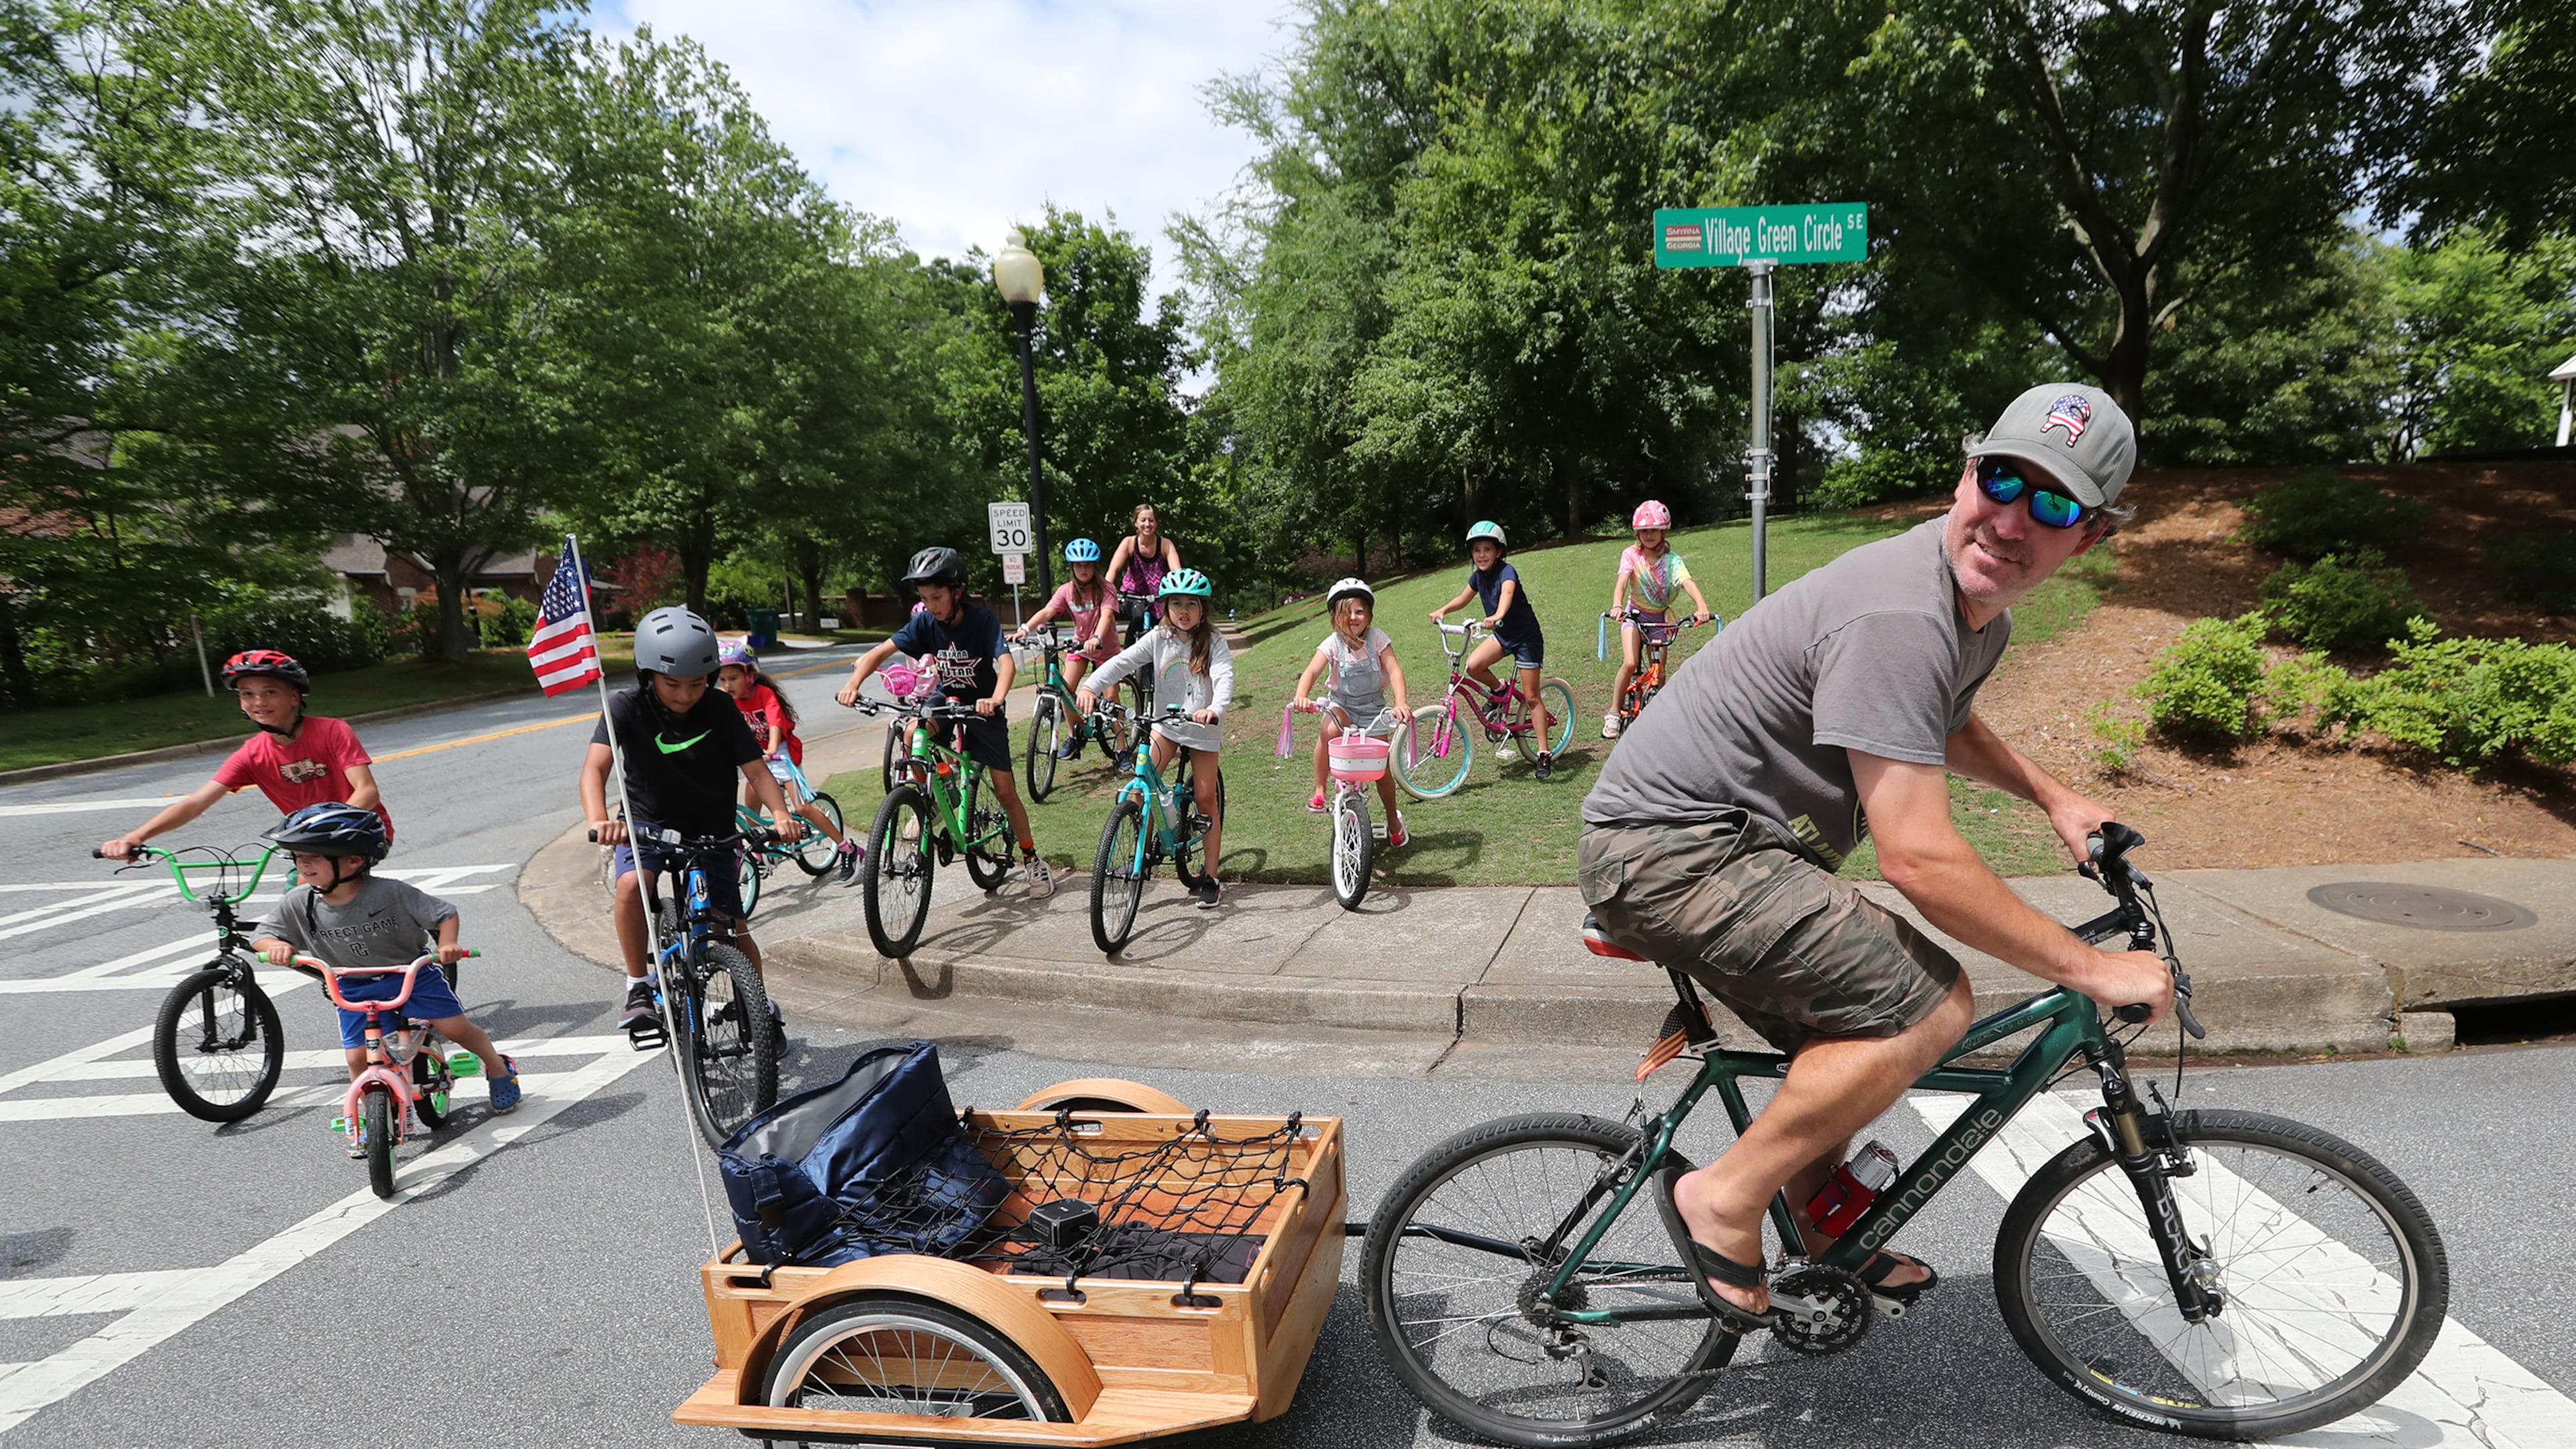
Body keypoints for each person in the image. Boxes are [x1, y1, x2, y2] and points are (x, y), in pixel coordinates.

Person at [1576, 383, 2173, 1330]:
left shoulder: (1972, 615)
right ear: (1965, 473)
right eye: (2002, 478)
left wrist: (2056, 799)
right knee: (1928, 1004)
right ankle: (1725, 1200)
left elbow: (1950, 720)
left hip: (1714, 847)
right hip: (1673, 851)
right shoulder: (1901, 612)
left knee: (1853, 1025)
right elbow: (1921, 860)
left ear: (2089, 535)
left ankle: (1816, 1222)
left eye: (2053, 505)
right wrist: (2091, 967)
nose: (2012, 520)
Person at [581, 606, 804, 1033]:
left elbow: (756, 771)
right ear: (647, 674)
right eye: (673, 684)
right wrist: (598, 819)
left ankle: (754, 1007)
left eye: (697, 683)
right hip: (645, 824)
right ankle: (639, 985)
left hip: (711, 828)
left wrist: (779, 813)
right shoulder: (625, 707)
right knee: (632, 885)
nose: (686, 695)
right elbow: (594, 769)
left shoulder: (720, 708)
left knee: (731, 928)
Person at [246, 803, 519, 1149]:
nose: (304, 865)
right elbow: (263, 935)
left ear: (354, 861)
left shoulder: (391, 893)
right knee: (358, 1058)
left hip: (410, 973)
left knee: (455, 1029)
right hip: (352, 983)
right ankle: (364, 1114)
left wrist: (448, 943)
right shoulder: (300, 901)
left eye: (314, 857)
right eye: (299, 858)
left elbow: (445, 914)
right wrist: (278, 947)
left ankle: (498, 1069)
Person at [837, 547, 1053, 898]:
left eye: (937, 597)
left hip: (982, 707)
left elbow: (1006, 663)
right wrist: (852, 684)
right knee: (912, 732)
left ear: (956, 592)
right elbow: (880, 652)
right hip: (946, 700)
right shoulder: (925, 623)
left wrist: (995, 699)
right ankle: (932, 799)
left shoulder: (982, 621)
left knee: (1005, 791)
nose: (932, 605)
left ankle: (1031, 860)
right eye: (925, 598)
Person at [99, 651, 392, 859]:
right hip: (307, 846)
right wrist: (136, 836)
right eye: (247, 694)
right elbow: (194, 804)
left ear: (294, 698)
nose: (258, 702)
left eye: (270, 692)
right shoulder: (252, 754)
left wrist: (324, 832)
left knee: (310, 903)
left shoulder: (332, 731)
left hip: (361, 833)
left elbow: (366, 791)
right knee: (289, 923)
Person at [1079, 568, 1233, 908]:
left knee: (1206, 800)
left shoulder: (1214, 641)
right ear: (1165, 608)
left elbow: (1224, 678)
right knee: (1139, 790)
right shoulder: (1158, 637)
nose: (1183, 611)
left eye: (1191, 604)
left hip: (1202, 726)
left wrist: (1215, 708)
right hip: (1165, 724)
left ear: (1203, 609)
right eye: (1175, 603)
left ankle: (1211, 877)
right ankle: (1139, 856)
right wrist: (1090, 685)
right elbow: (1122, 662)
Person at [716, 640, 860, 883]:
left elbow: (775, 724)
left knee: (802, 807)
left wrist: (772, 749)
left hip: (781, 754)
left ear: (750, 674)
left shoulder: (765, 694)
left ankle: (848, 849)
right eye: (722, 680)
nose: (727, 685)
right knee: (750, 808)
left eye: (733, 678)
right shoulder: (728, 702)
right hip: (756, 757)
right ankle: (762, 855)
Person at [1428, 521, 1555, 781]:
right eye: (1477, 550)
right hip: (1502, 635)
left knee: (1531, 698)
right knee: (1473, 666)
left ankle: (1543, 753)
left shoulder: (1507, 572)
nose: (1482, 555)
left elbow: (1507, 594)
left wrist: (1497, 614)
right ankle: (1499, 688)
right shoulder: (1477, 577)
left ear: (1499, 552)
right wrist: (1443, 610)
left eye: (1488, 549)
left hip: (1526, 638)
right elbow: (1464, 598)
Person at [1290, 577, 1411, 845]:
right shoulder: (1332, 643)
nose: (1354, 617)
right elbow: (1312, 670)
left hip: (1373, 709)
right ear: (1336, 617)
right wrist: (1302, 696)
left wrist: (1400, 701)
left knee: (1381, 770)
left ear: (1368, 615)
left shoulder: (1377, 638)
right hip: (1342, 705)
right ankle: (1320, 788)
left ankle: (1393, 820)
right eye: (1347, 612)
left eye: (1360, 611)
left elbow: (1394, 670)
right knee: (1328, 729)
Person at [1604, 500, 1715, 739]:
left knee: (1660, 672)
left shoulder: (1672, 561)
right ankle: (1614, 712)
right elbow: (1622, 582)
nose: (1649, 535)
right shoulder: (1631, 555)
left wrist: (1702, 606)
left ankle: (1658, 716)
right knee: (1630, 663)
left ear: (1664, 531)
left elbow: (1687, 582)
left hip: (1660, 619)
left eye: (1654, 530)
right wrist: (1616, 605)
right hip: (1633, 615)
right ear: (1637, 533)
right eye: (1644, 531)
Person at [1010, 537, 1119, 761]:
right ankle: (1073, 737)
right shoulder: (1066, 591)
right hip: (1079, 646)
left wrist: (1097, 637)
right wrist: (1024, 629)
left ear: (1094, 566)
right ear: (1072, 567)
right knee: (1065, 691)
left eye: (1087, 565)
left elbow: (1107, 615)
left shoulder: (1106, 588)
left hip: (1105, 648)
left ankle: (1123, 747)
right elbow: (1047, 612)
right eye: (1078, 565)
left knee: (1111, 698)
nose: (1083, 569)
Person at [1101, 504, 1182, 645]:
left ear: (1156, 524)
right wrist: (1106, 591)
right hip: (1133, 595)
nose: (1147, 524)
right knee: (1138, 618)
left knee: (1163, 629)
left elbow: (1177, 572)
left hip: (1159, 597)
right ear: (1136, 524)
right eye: (1143, 520)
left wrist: (1179, 589)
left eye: (1151, 520)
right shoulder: (1129, 543)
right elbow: (1113, 570)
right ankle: (1128, 658)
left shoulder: (1165, 545)